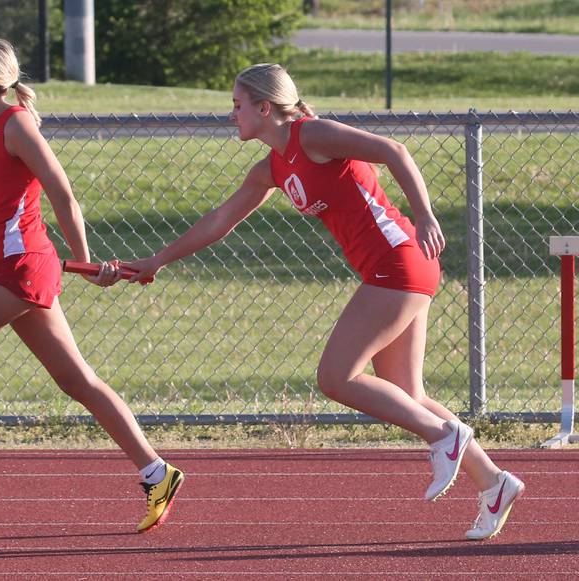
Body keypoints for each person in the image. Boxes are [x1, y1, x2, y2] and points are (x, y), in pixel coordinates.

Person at [125, 63, 523, 540]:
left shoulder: (312, 135)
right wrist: (158, 260)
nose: (231, 116)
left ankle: (445, 437)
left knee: (336, 377)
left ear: (264, 108)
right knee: (407, 393)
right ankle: (494, 483)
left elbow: (393, 150)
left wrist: (424, 214)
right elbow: (219, 220)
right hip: (396, 268)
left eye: (237, 106)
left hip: (399, 261)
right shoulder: (272, 167)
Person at [0, 37, 183, 533]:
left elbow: (62, 192)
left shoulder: (16, 123)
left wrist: (86, 262)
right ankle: (157, 472)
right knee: (76, 380)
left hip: (19, 268)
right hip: (19, 267)